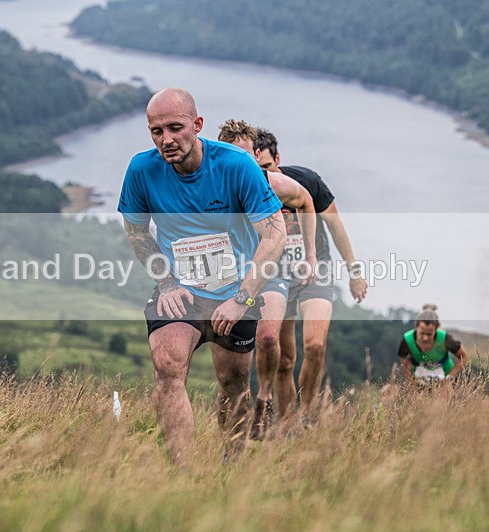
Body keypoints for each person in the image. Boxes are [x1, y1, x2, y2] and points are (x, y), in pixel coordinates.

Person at [118, 88, 286, 467]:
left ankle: (233, 465)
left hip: (236, 293)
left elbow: (275, 234)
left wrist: (241, 298)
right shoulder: (141, 170)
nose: (167, 140)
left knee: (233, 384)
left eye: (175, 128)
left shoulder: (236, 165)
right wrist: (166, 282)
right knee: (167, 365)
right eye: (156, 131)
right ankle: (183, 474)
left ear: (197, 125)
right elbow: (137, 233)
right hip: (183, 291)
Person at [253, 127, 368, 426]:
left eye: (266, 167)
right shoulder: (246, 189)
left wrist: (354, 272)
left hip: (314, 270)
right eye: (255, 169)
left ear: (278, 158)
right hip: (276, 277)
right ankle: (286, 424)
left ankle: (306, 417)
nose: (262, 175)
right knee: (284, 361)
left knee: (316, 345)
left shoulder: (306, 182)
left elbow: (335, 224)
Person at [217, 119, 317, 440]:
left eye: (247, 156)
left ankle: (264, 400)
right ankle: (237, 408)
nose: (241, 164)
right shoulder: (210, 185)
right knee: (229, 365)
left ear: (256, 155)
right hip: (226, 274)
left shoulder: (272, 182)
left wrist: (310, 255)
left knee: (270, 339)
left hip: (270, 271)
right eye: (234, 156)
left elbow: (306, 202)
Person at [398, 304, 468, 385]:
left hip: (444, 378)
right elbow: (406, 364)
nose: (425, 338)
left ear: (436, 328)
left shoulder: (445, 339)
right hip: (418, 379)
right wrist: (412, 384)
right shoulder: (407, 340)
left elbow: (464, 357)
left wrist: (449, 379)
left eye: (429, 334)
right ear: (416, 326)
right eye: (422, 333)